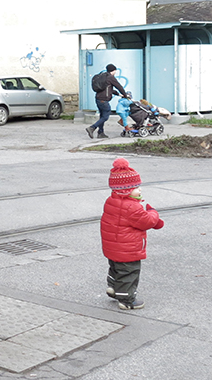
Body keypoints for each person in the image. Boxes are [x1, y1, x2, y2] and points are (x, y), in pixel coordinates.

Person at [101, 158, 164, 310]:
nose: (139, 189)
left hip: (114, 247)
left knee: (116, 268)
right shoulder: (132, 207)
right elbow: (147, 221)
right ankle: (127, 300)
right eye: (135, 187)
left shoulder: (112, 200)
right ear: (125, 190)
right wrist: (153, 212)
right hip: (128, 249)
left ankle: (114, 288)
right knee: (129, 272)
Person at [86, 63, 126, 139]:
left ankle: (101, 133)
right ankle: (92, 128)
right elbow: (119, 87)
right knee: (105, 116)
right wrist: (125, 95)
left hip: (98, 99)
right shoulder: (110, 77)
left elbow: (108, 88)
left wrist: (119, 94)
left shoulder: (103, 77)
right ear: (113, 71)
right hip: (103, 100)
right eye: (115, 71)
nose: (116, 72)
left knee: (102, 116)